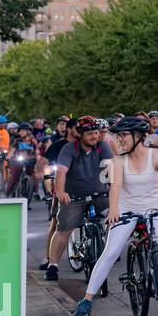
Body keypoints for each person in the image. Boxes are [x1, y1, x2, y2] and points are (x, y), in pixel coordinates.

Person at [73, 117, 158, 316]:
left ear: (138, 136)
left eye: (124, 135)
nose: (120, 139)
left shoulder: (156, 156)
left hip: (155, 208)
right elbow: (115, 186)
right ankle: (87, 299)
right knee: (110, 252)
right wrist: (114, 209)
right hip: (126, 209)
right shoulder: (118, 161)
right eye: (118, 136)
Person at [47, 116, 114, 283]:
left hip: (100, 195)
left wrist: (114, 187)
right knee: (64, 229)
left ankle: (104, 247)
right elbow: (61, 171)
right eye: (90, 133)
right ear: (81, 134)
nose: (94, 136)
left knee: (113, 219)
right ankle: (52, 265)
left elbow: (112, 166)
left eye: (96, 132)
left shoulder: (102, 146)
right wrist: (61, 192)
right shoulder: (70, 149)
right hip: (74, 196)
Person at [37, 117, 77, 271]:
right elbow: (41, 163)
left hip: (80, 187)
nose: (81, 132)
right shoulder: (57, 145)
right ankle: (48, 257)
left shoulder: (83, 145)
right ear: (69, 129)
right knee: (55, 222)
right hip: (61, 188)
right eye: (77, 128)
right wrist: (41, 172)